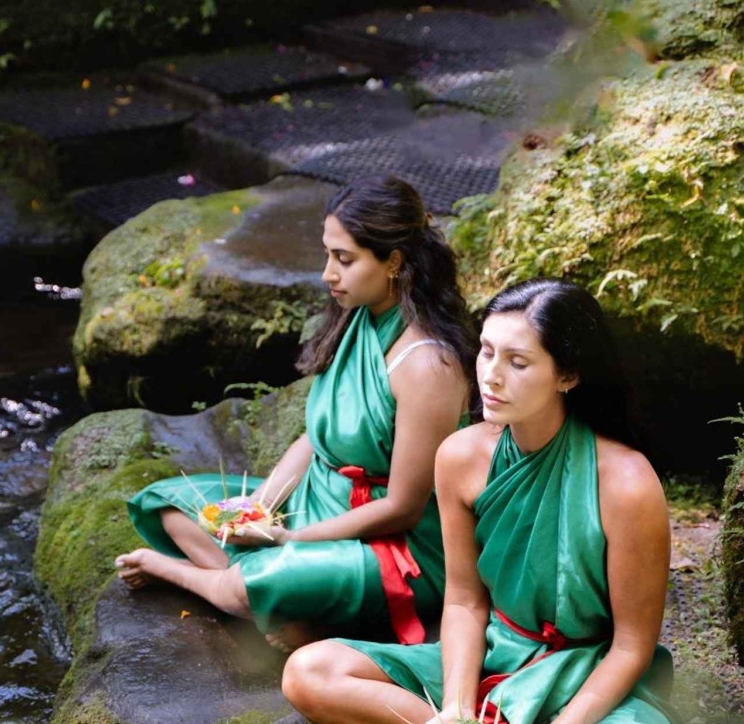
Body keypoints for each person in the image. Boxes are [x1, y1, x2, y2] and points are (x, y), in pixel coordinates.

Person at [282, 278, 679, 724]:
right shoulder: (462, 456)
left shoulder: (627, 483)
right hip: (494, 654)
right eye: (486, 351)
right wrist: (456, 711)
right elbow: (466, 602)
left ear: (567, 375)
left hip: (585, 676)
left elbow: (631, 647)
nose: (490, 375)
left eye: (518, 362)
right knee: (309, 673)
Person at [114, 176, 474, 652]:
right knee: (167, 506)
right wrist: (256, 509)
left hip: (394, 543)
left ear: (394, 262)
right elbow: (315, 440)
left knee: (250, 583)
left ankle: (185, 575)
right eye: (327, 255)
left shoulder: (428, 365)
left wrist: (292, 539)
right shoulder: (359, 317)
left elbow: (402, 509)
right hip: (318, 499)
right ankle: (295, 607)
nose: (328, 274)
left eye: (344, 259)